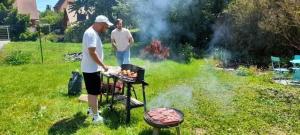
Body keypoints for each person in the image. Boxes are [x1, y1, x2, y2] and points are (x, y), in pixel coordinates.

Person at [81, 15, 113, 124]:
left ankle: (91, 110)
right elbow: (92, 52)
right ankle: (96, 117)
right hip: (92, 69)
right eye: (105, 26)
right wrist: (103, 65)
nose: (106, 28)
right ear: (100, 24)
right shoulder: (91, 34)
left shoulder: (92, 32)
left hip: (90, 68)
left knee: (91, 92)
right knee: (93, 93)